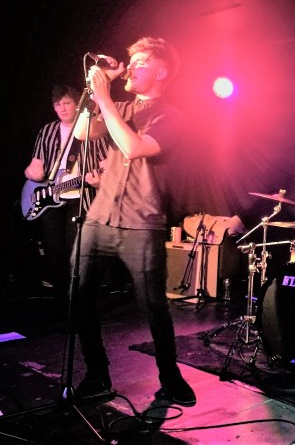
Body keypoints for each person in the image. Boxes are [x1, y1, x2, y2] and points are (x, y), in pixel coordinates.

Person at [72, 37, 196, 406]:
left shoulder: (172, 117)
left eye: (142, 61)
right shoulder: (121, 107)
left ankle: (170, 377)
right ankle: (97, 374)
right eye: (133, 60)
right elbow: (81, 132)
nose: (133, 66)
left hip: (142, 221)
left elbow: (134, 147)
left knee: (153, 305)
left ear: (162, 72)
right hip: (99, 217)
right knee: (79, 296)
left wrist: (105, 99)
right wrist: (98, 93)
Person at [22, 84, 109, 306]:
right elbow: (35, 164)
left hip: (80, 199)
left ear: (77, 104)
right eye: (57, 104)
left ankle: (80, 301)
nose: (62, 108)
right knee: (54, 251)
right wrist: (31, 173)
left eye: (67, 103)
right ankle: (62, 300)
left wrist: (101, 180)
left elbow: (107, 165)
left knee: (76, 251)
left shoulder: (92, 129)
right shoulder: (47, 130)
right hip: (50, 200)